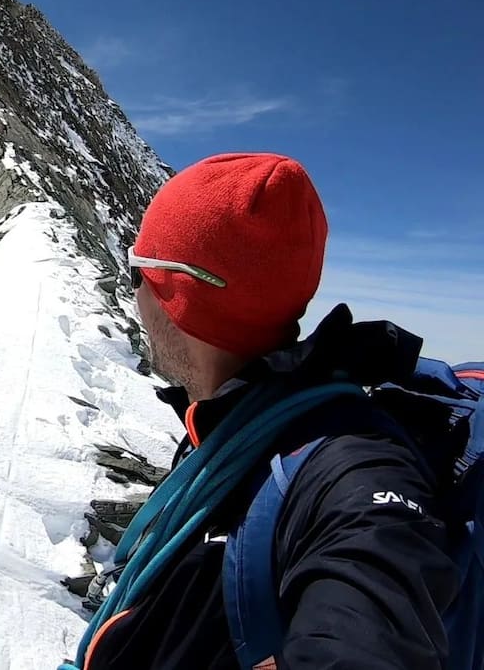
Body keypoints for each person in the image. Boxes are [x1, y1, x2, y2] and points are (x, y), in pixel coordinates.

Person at [76, 153, 459, 670]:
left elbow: (369, 609)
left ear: (179, 292)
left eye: (136, 271)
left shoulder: (351, 475)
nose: (134, 294)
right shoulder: (231, 418)